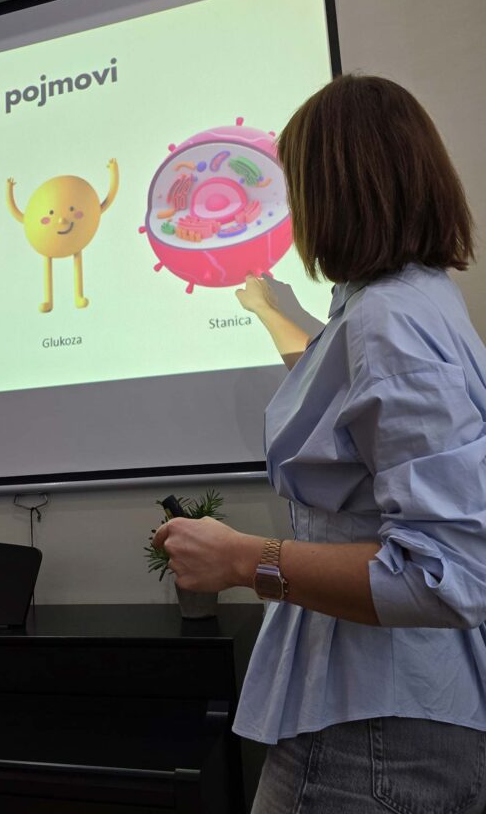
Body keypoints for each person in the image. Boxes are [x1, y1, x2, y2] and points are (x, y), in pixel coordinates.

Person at [153, 74, 486, 813]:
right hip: (410, 711)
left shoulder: (387, 323)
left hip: (373, 733)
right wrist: (275, 312)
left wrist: (243, 559)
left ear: (333, 191)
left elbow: (446, 573)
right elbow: (352, 413)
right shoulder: (415, 303)